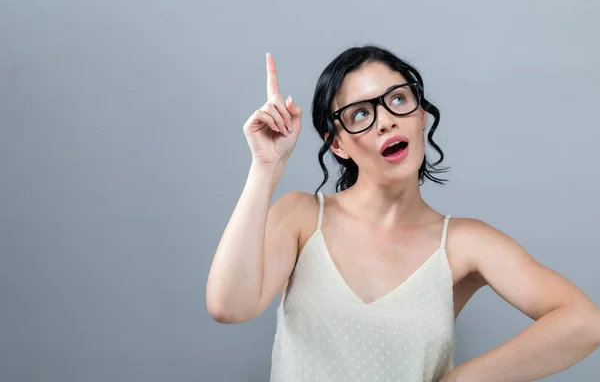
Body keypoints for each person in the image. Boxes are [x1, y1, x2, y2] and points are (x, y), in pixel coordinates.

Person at [206, 45, 600, 382]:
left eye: (397, 99)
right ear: (337, 144)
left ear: (421, 115)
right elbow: (229, 306)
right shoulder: (302, 216)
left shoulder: (465, 244)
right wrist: (265, 167)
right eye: (360, 114)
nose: (386, 120)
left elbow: (584, 323)